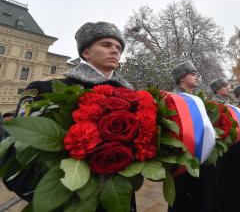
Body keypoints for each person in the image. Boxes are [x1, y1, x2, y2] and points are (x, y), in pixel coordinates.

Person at [2, 21, 138, 211]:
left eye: (118, 47)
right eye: (106, 45)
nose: (115, 51)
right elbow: (15, 154)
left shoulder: (133, 96)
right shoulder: (45, 89)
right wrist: (55, 196)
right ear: (86, 53)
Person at [169, 61, 222, 212]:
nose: (197, 77)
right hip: (185, 162)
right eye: (192, 74)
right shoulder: (173, 99)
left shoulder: (198, 99)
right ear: (181, 78)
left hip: (203, 160)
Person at [211, 79, 240, 212]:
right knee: (230, 178)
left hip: (237, 144)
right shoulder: (214, 104)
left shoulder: (229, 102)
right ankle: (235, 204)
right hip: (227, 147)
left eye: (227, 85)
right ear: (216, 89)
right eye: (223, 86)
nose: (227, 87)